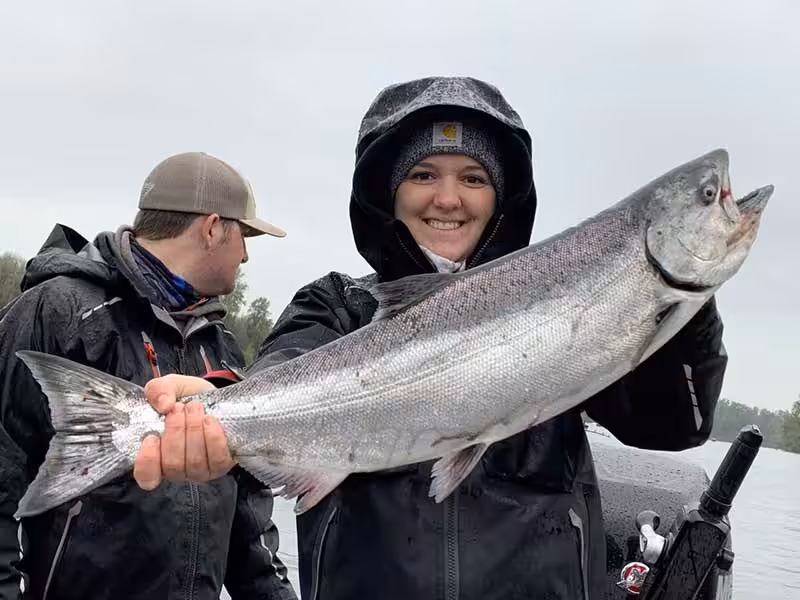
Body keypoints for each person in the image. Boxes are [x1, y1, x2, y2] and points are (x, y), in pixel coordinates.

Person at [133, 78, 728, 599]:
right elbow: (282, 372)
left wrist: (677, 300)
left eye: (472, 177)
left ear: (501, 198)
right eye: (423, 175)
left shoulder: (570, 312)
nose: (447, 198)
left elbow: (674, 425)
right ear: (389, 193)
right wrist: (214, 402)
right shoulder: (338, 304)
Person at [0, 152, 298, 600]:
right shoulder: (56, 312)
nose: (247, 255)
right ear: (212, 228)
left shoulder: (220, 347)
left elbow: (248, 519)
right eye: (244, 235)